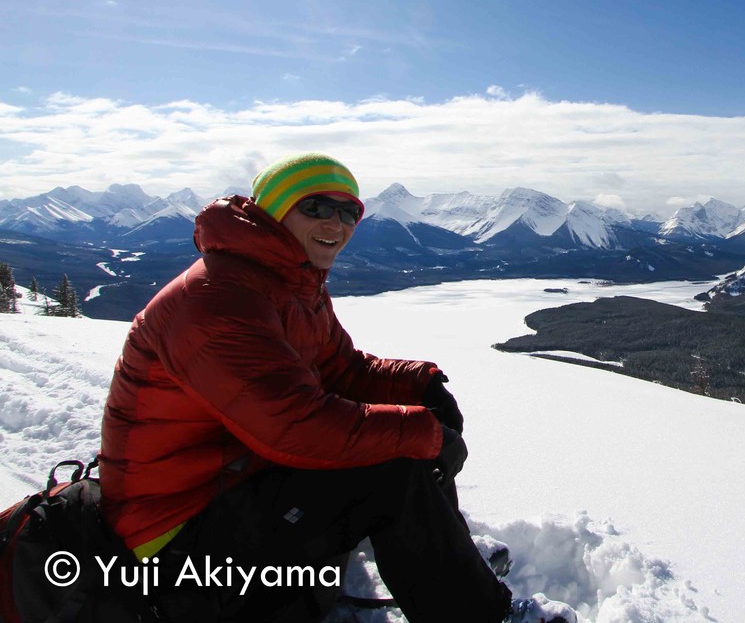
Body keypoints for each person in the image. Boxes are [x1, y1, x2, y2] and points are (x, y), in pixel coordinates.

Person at [98, 152, 575, 623]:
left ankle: (448, 553)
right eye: (317, 207)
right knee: (396, 462)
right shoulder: (217, 299)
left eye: (350, 212)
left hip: (235, 482)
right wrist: (424, 434)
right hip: (173, 539)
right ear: (274, 210)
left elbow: (341, 370)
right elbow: (295, 427)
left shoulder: (288, 283)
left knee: (405, 432)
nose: (337, 222)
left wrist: (420, 384)